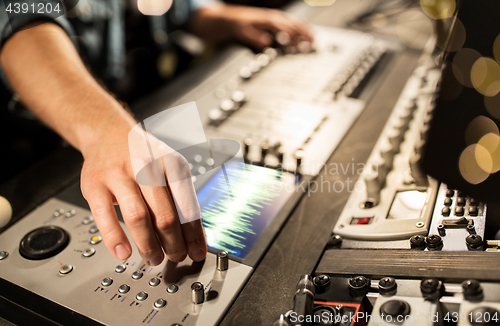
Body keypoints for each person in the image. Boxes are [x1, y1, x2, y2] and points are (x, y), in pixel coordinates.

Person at [0, 0, 313, 266]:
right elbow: (22, 27)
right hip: (36, 156)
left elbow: (165, 8)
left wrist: (212, 16)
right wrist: (105, 131)